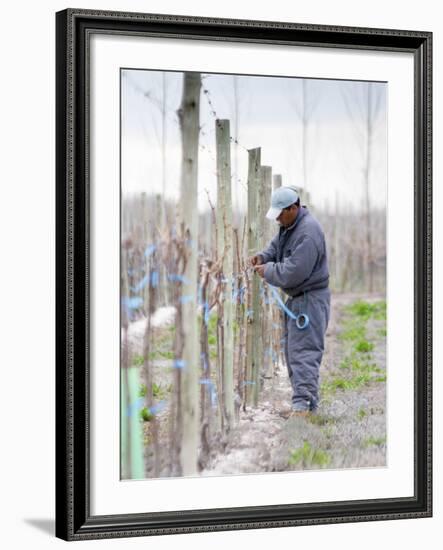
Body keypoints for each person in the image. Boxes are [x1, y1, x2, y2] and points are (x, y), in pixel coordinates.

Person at [248, 186, 330, 418]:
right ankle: (304, 404)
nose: (277, 219)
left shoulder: (308, 233)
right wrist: (264, 256)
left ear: (293, 208)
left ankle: (303, 408)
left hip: (310, 300)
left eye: (280, 214)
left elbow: (294, 272)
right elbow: (277, 247)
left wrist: (268, 269)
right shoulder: (289, 226)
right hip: (299, 299)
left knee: (304, 352)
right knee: (293, 352)